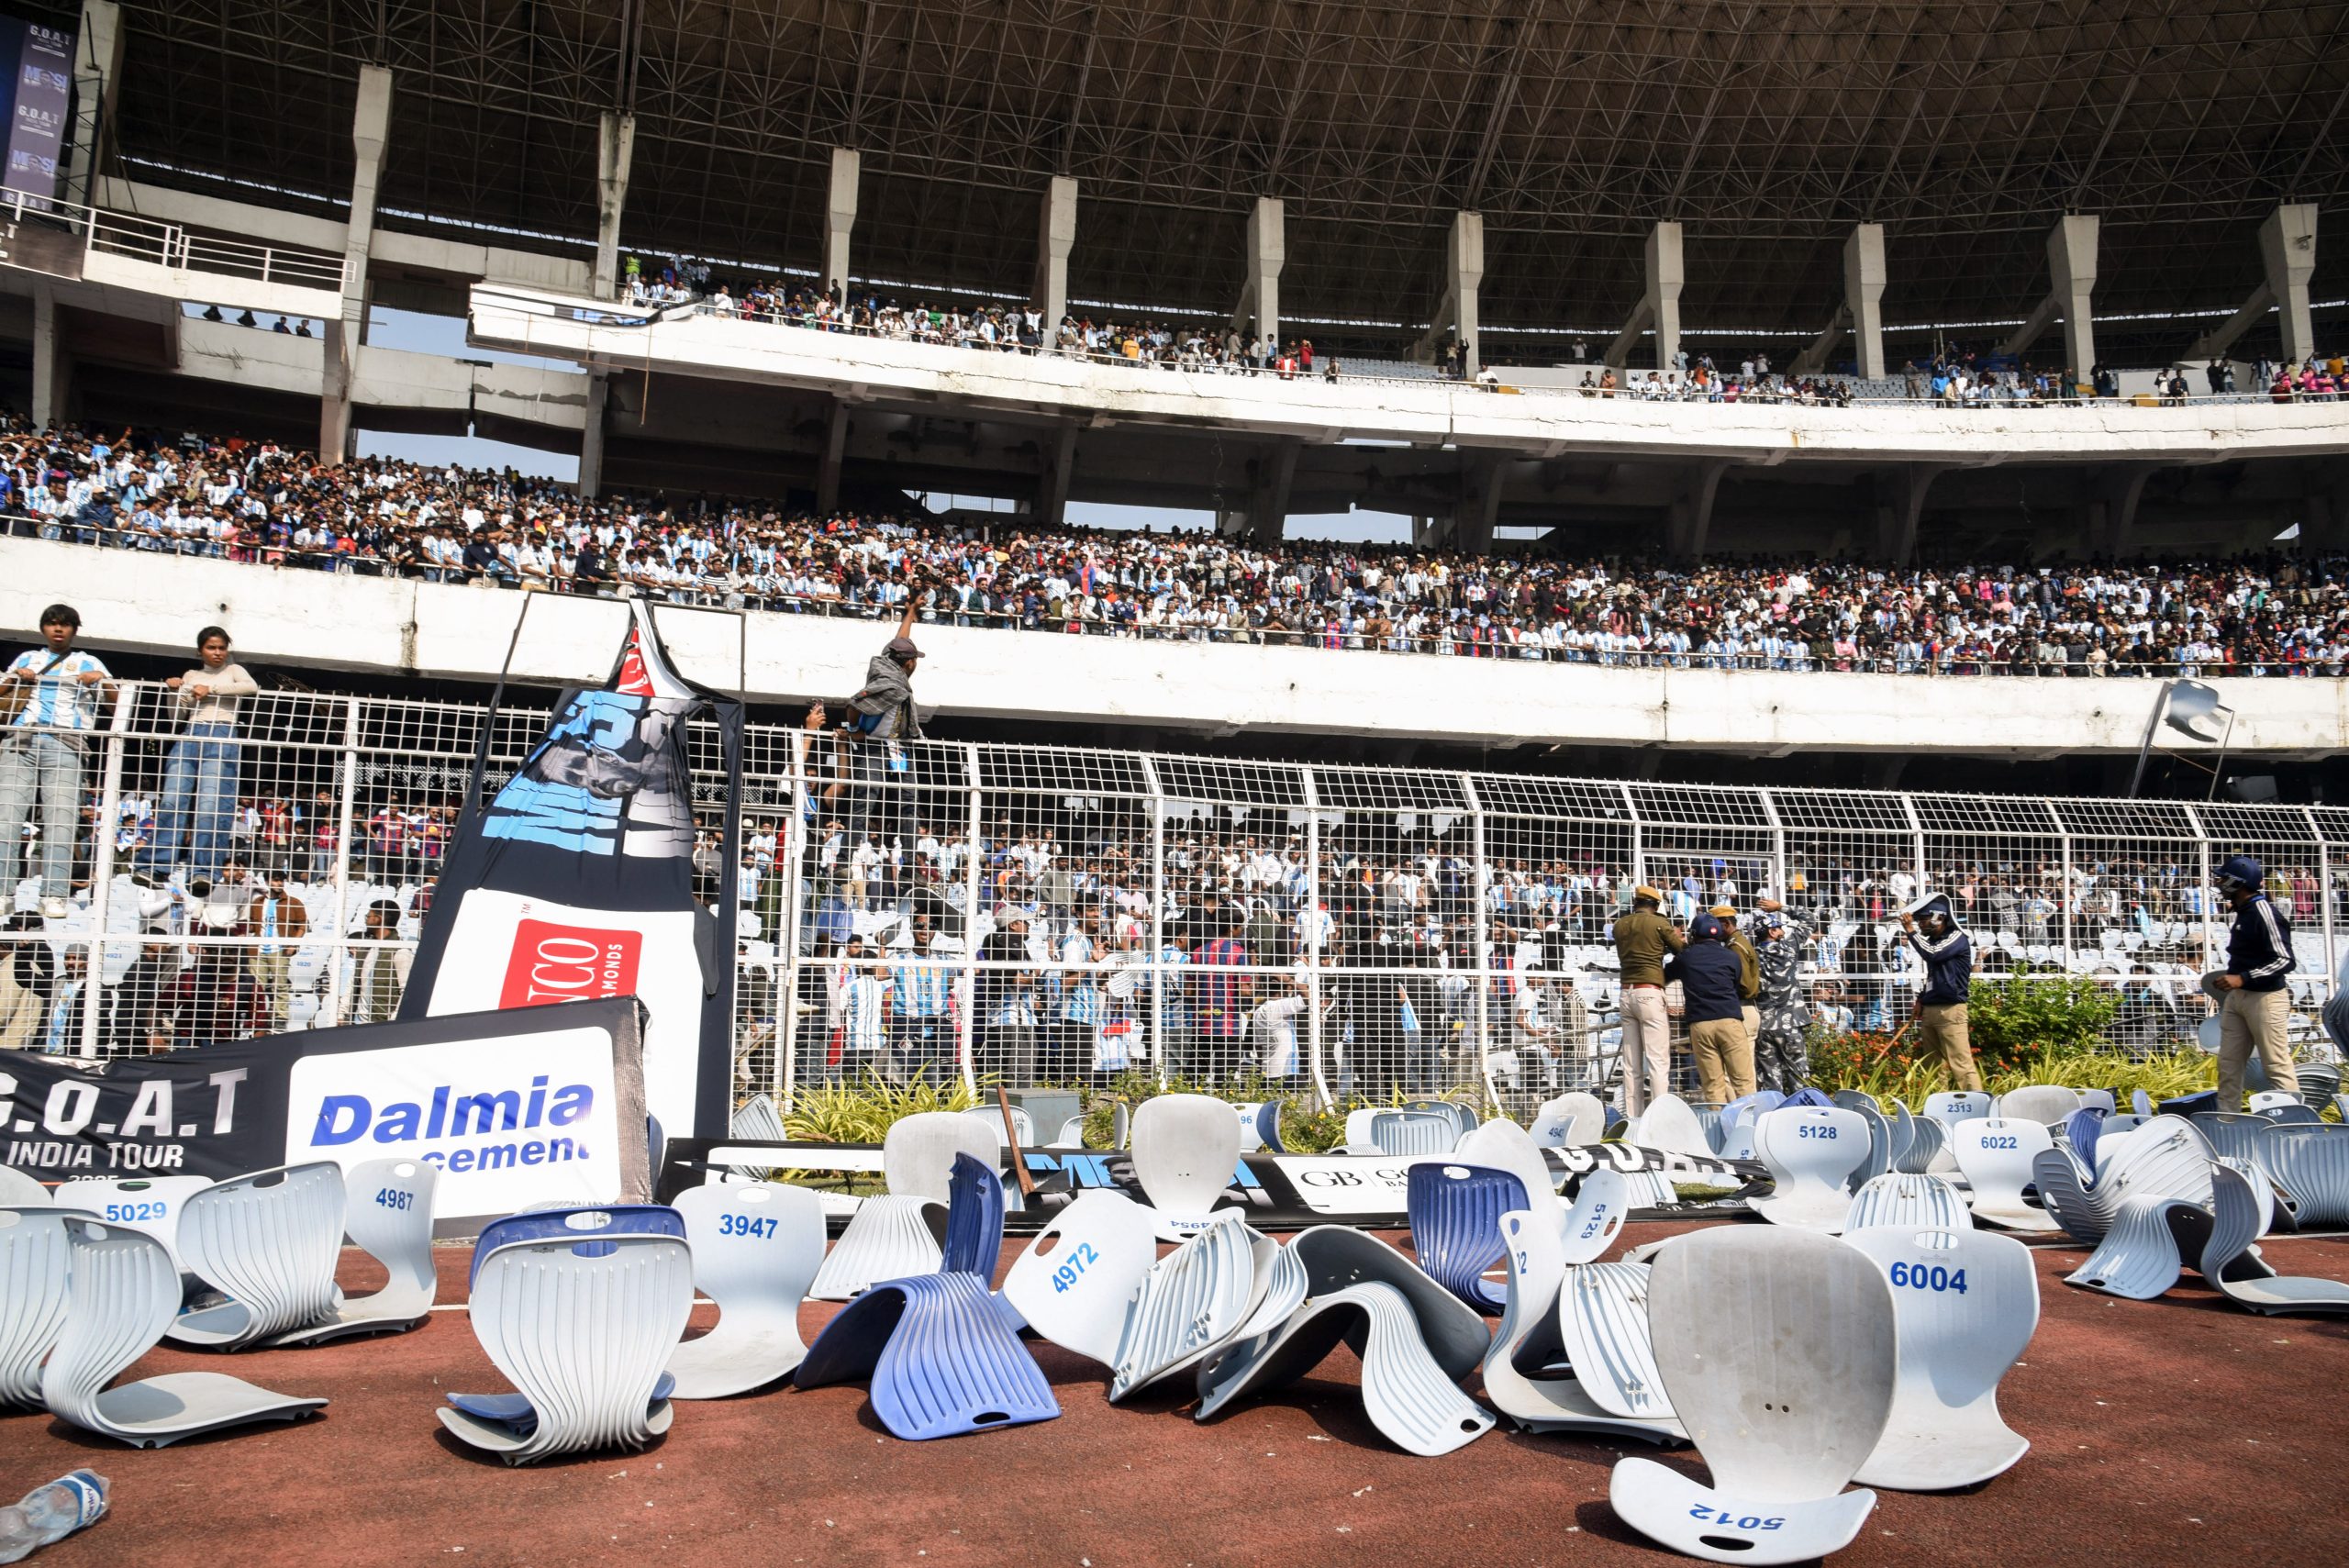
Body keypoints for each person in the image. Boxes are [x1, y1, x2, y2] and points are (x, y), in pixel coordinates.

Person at [0, 605, 117, 918]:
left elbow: (116, 704)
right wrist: (17, 678)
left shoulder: (89, 661)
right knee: (6, 817)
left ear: (74, 630)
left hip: (68, 742)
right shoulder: (27, 658)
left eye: (64, 625)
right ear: (43, 629)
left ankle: (54, 895)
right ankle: (3, 893)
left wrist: (101, 681)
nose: (58, 630)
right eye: (51, 624)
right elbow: (1, 693)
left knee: (61, 823)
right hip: (21, 738)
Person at [137, 626, 257, 887]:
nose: (217, 653)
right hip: (191, 732)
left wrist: (210, 690)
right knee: (171, 800)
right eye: (211, 648)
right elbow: (176, 716)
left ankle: (203, 871)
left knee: (210, 806)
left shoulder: (234, 670)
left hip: (222, 733)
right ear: (200, 650)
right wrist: (175, 691)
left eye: (222, 648)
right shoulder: (191, 674)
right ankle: (156, 866)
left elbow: (251, 686)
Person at [2210, 854, 2299, 1108]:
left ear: (2239, 882)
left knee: (2276, 1064)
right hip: (2239, 999)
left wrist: (2243, 978)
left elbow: (2285, 960)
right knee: (2228, 1065)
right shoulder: (2243, 911)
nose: (2219, 883)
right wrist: (2235, 981)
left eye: (2224, 878)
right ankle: (2228, 1123)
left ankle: (2295, 1127)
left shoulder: (2262, 911)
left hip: (2266, 999)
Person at [842, 591, 927, 845]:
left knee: (909, 800)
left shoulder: (885, 662)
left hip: (899, 747)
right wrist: (854, 729)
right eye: (915, 659)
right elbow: (855, 702)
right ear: (908, 663)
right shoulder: (891, 683)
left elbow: (900, 639)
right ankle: (850, 852)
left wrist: (911, 611)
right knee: (867, 797)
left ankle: (910, 861)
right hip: (876, 746)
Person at [1664, 912, 1753, 1104]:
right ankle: (1749, 1126)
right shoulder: (1731, 956)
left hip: (1701, 1023)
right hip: (1730, 1020)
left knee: (1713, 1084)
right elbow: (1736, 983)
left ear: (1693, 934)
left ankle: (1717, 1128)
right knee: (1743, 1081)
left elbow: (1665, 975)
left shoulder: (1686, 957)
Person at [1611, 884, 1685, 1116]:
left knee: (1631, 1063)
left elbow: (1641, 949)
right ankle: (1659, 1117)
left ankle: (1633, 1117)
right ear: (1655, 905)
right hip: (1650, 992)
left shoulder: (1620, 925)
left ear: (1636, 903)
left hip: (1626, 992)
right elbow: (1681, 949)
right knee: (1657, 1060)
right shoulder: (1659, 923)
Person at [1899, 892, 1980, 1092]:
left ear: (1939, 916)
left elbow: (1931, 955)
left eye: (1924, 919)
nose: (1920, 924)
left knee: (1961, 1064)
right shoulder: (1936, 941)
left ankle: (1980, 1109)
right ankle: (1938, 1109)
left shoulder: (1956, 938)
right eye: (1918, 921)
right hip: (1931, 1009)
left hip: (1951, 1011)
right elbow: (1934, 976)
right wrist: (1921, 999)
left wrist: (1910, 930)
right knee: (1933, 1067)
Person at [1751, 896, 1813, 1093]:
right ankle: (1799, 1115)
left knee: (1770, 1081)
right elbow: (1809, 918)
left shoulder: (1750, 956)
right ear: (1772, 931)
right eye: (1779, 928)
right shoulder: (1789, 948)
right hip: (1790, 1024)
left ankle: (1772, 1118)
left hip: (1764, 1025)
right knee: (1798, 1078)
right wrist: (1780, 907)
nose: (1783, 931)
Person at [1714, 901, 1762, 1069]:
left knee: (1740, 1068)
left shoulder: (1735, 947)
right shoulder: (1736, 943)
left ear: (1726, 924)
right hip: (1746, 1008)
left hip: (1743, 1007)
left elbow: (1745, 984)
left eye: (1717, 925)